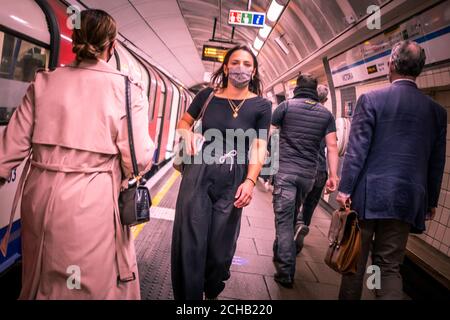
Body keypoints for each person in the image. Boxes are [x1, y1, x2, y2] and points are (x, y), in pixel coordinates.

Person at [0, 9, 154, 299]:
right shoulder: (126, 89)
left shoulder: (45, 82)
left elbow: (8, 150)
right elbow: (139, 160)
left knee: (40, 275)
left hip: (39, 198)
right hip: (90, 202)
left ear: (75, 40)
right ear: (113, 45)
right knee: (80, 285)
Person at [336, 40, 446, 300]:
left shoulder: (371, 100)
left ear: (390, 64)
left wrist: (345, 189)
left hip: (367, 196)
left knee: (354, 262)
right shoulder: (437, 112)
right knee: (389, 267)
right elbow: (436, 161)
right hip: (407, 200)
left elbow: (357, 151)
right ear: (420, 69)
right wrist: (431, 201)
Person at [171, 45, 271, 300]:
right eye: (235, 62)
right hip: (197, 175)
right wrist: (189, 134)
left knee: (220, 250)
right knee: (190, 242)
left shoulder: (261, 106)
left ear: (254, 70)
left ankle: (212, 289)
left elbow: (259, 145)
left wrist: (251, 181)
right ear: (225, 67)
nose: (241, 68)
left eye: (247, 64)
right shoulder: (206, 96)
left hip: (234, 179)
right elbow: (183, 123)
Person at [271, 74, 339, 288]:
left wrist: (269, 167)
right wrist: (334, 175)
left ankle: (285, 271)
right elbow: (332, 147)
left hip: (285, 172)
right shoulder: (326, 114)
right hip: (308, 176)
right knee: (291, 216)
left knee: (283, 220)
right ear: (314, 89)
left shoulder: (285, 106)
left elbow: (271, 137)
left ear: (296, 88)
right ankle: (279, 249)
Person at [294, 84, 330, 253]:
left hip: (302, 166)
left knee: (294, 203)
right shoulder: (328, 116)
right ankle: (302, 228)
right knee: (310, 204)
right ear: (326, 100)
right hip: (320, 170)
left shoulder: (300, 111)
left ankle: (297, 225)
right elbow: (332, 146)